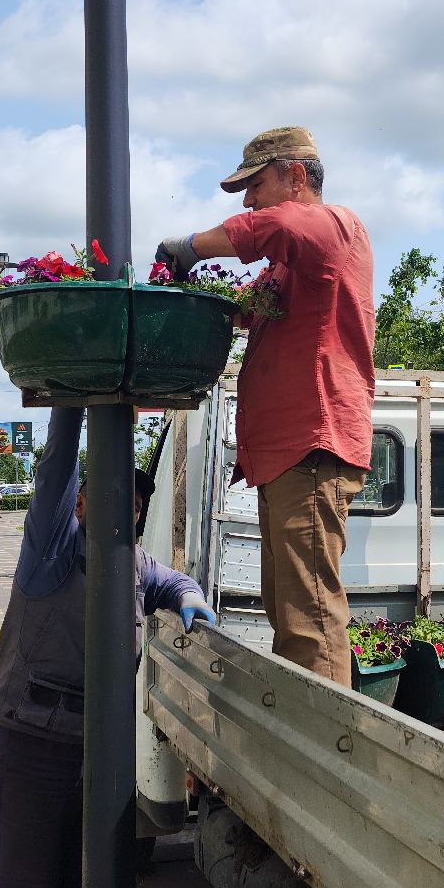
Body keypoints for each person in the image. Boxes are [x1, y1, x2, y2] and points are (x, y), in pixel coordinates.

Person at [0, 405, 217, 888]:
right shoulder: (51, 552)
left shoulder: (131, 562)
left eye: (134, 505)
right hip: (35, 745)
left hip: (97, 748)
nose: (124, 511)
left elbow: (172, 580)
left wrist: (189, 596)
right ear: (81, 504)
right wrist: (71, 407)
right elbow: (56, 474)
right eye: (108, 497)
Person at [155, 126, 374, 683]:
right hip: (287, 455)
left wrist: (191, 247)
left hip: (312, 444)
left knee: (310, 618)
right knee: (288, 612)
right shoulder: (290, 267)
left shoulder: (333, 227)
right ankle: (302, 738)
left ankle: (320, 751)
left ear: (295, 174)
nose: (248, 200)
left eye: (254, 184)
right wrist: (199, 301)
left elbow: (271, 225)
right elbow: (252, 310)